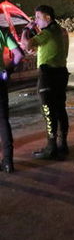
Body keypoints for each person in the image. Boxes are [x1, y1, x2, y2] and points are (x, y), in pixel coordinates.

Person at [21, 5, 70, 160]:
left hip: (48, 74)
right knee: (60, 109)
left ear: (48, 17)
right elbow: (56, 49)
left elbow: (26, 45)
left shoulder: (47, 33)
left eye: (38, 17)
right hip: (61, 73)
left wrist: (25, 30)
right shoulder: (61, 31)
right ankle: (63, 145)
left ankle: (51, 148)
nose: (36, 21)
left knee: (48, 112)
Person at [0, 27, 24, 172]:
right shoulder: (2, 32)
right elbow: (19, 55)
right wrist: (8, 71)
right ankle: (8, 161)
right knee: (3, 121)